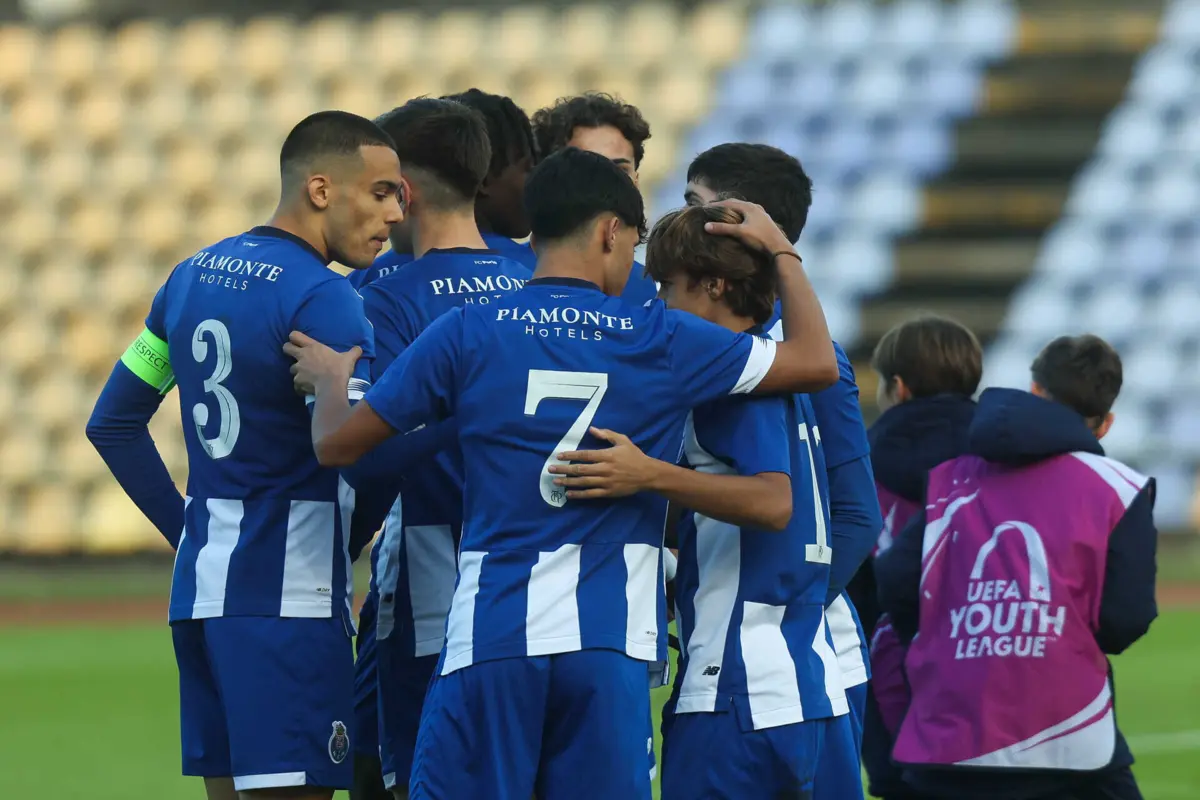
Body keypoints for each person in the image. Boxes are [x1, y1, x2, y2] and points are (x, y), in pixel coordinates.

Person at [285, 148, 840, 798]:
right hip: (609, 645)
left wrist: (330, 381)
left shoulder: (469, 330)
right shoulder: (658, 335)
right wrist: (780, 249)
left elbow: (338, 445)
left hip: (491, 635)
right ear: (610, 231)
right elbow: (816, 362)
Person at [85, 111, 404, 800]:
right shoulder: (327, 301)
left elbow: (112, 423)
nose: (394, 214)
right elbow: (364, 454)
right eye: (380, 192)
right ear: (321, 189)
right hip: (286, 605)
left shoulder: (189, 277)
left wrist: (191, 537)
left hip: (202, 595)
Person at [547, 204, 850, 799]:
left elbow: (772, 503)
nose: (658, 301)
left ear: (714, 286)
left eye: (667, 285)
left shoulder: (731, 389)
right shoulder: (784, 382)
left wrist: (649, 474)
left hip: (735, 685)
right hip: (802, 677)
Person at [876, 334, 1158, 800]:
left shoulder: (951, 478)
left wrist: (955, 642)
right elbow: (1125, 618)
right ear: (1104, 424)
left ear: (1033, 390)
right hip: (1067, 740)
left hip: (947, 737)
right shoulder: (1119, 488)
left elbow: (897, 581)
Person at [684, 141, 882, 799]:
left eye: (693, 205)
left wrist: (789, 608)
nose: (681, 221)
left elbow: (855, 512)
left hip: (800, 657)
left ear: (735, 222)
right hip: (759, 656)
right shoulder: (710, 342)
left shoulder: (807, 359)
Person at [356, 97, 533, 800]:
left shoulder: (380, 295)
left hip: (433, 596)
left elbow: (369, 452)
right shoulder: (541, 282)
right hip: (541, 599)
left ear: (405, 192)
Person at [860, 315, 982, 800]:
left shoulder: (856, 461)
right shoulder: (1004, 458)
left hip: (891, 672)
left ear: (898, 387)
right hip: (991, 663)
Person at [351, 89, 540, 288]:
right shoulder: (537, 273)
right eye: (528, 168)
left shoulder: (366, 282)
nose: (536, 180)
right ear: (483, 177)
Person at [532, 92, 659, 305]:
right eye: (587, 167)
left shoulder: (645, 284)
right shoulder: (503, 277)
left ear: (636, 180)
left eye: (620, 170)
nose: (608, 183)